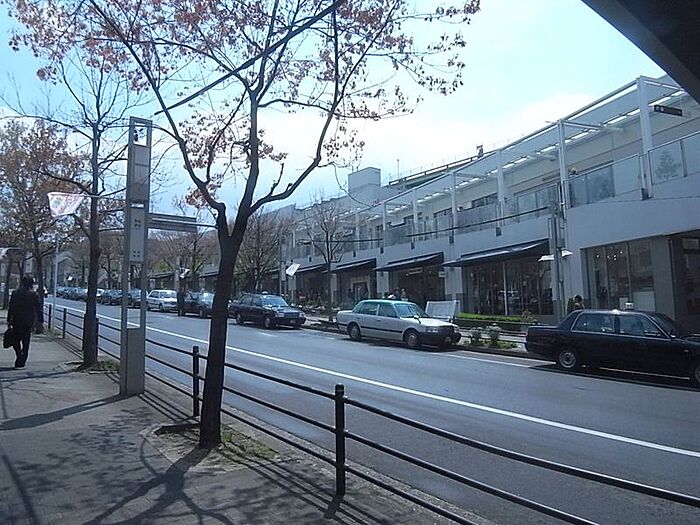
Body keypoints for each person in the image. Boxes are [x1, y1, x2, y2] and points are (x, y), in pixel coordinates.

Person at [7, 276, 44, 369]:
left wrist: (9, 319)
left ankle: (19, 354)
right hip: (28, 320)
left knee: (16, 340)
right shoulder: (33, 294)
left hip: (16, 319)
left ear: (22, 283)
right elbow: (38, 308)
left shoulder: (15, 293)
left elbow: (11, 307)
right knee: (26, 341)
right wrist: (40, 321)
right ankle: (23, 359)